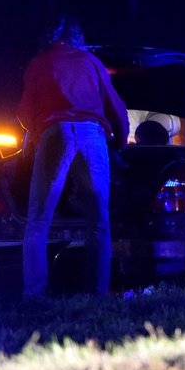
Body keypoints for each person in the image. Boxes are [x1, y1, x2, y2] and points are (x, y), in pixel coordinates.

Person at [17, 16, 129, 297]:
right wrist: (121, 140)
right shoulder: (90, 61)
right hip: (93, 135)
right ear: (76, 36)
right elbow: (115, 105)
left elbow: (24, 113)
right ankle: (98, 292)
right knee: (98, 220)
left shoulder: (38, 63)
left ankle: (35, 294)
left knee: (39, 220)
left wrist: (37, 134)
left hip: (55, 134)